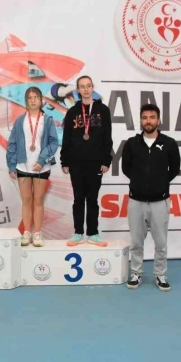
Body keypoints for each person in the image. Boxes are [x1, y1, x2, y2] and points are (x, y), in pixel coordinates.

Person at [121, 103, 181, 292]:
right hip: (136, 201)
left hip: (160, 202)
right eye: (145, 117)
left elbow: (175, 168)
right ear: (141, 120)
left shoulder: (169, 143)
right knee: (136, 242)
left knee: (161, 243)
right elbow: (126, 168)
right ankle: (136, 273)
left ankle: (160, 274)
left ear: (158, 120)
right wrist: (140, 183)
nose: (148, 121)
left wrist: (159, 183)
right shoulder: (131, 144)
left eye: (152, 117)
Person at [60, 75, 113, 247]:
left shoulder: (103, 110)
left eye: (88, 86)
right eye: (82, 86)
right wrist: (64, 161)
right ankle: (77, 233)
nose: (86, 89)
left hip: (96, 162)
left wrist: (106, 161)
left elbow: (107, 137)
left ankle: (93, 233)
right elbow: (66, 138)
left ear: (92, 88)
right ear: (78, 90)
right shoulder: (72, 112)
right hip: (76, 162)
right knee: (78, 199)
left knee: (92, 199)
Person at [6, 87, 59, 247]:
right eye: (30, 98)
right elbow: (12, 143)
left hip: (41, 167)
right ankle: (27, 232)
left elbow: (53, 143)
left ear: (41, 100)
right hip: (23, 166)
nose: (33, 100)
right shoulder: (20, 121)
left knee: (38, 201)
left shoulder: (47, 120)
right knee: (26, 200)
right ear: (26, 101)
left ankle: (37, 233)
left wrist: (42, 161)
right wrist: (12, 165)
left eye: (36, 97)